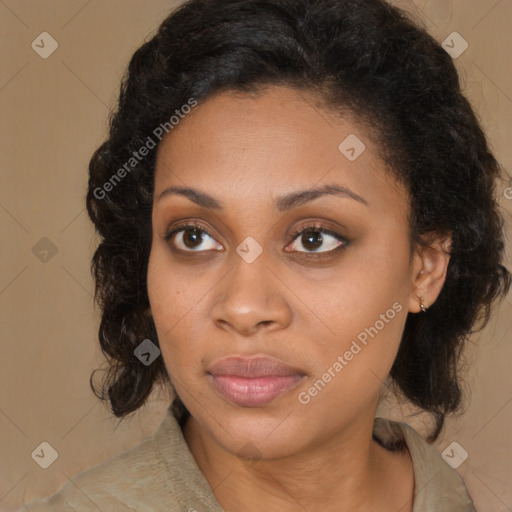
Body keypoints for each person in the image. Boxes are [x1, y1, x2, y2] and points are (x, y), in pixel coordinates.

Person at [21, 0, 511, 510]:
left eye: (315, 239)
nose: (244, 307)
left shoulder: (448, 495)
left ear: (424, 266)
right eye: (194, 237)